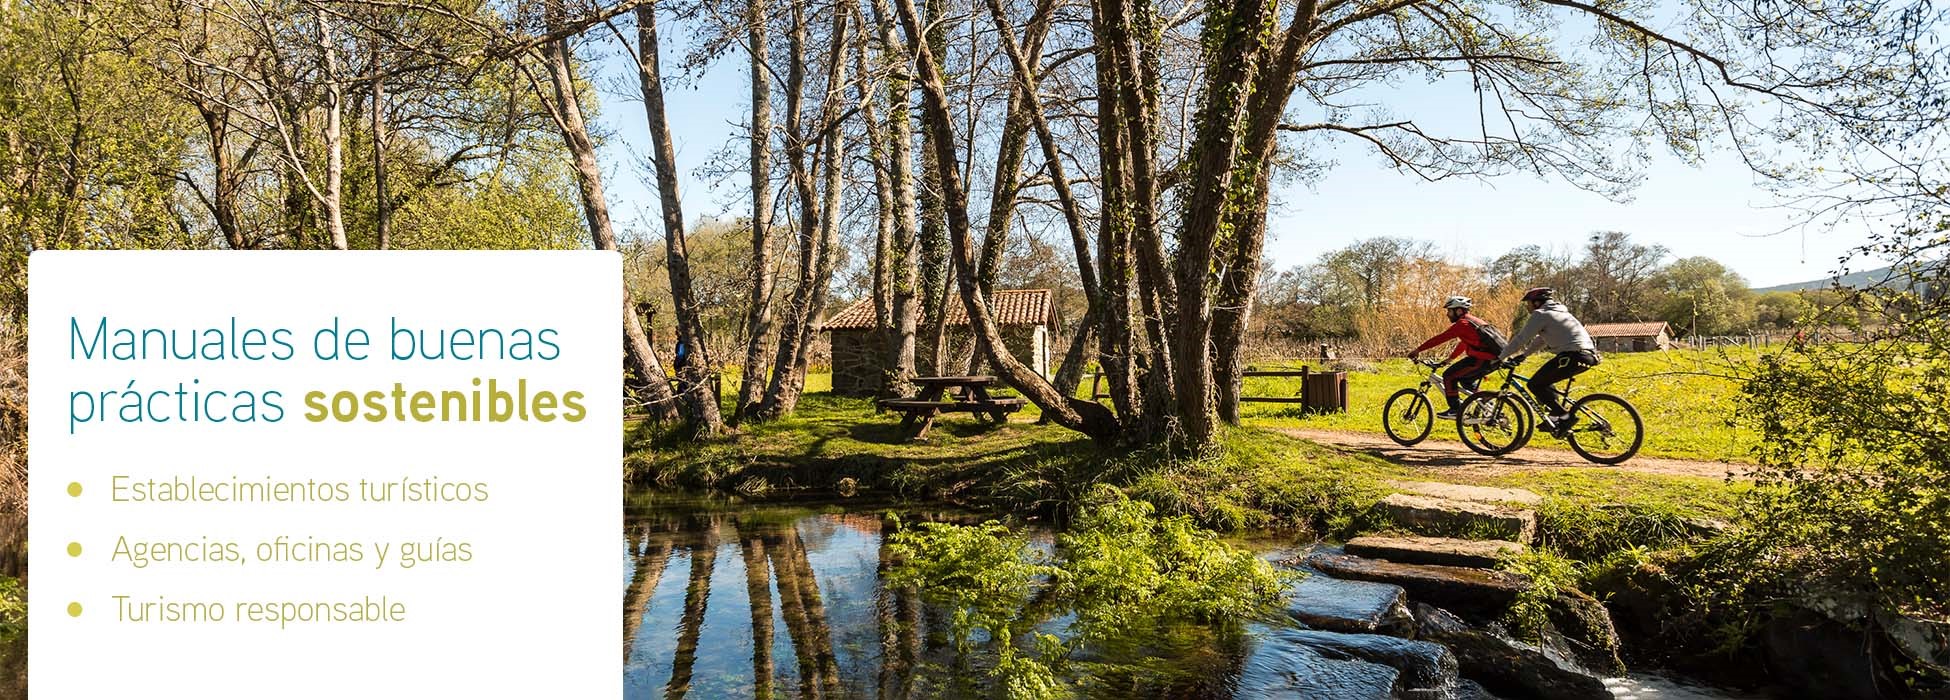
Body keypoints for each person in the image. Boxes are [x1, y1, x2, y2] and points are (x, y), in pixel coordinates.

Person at [1496, 287, 1600, 433]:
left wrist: (1500, 358)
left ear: (1537, 302)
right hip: (1588, 356)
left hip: (1572, 355)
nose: (1527, 307)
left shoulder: (1541, 314)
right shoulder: (1561, 313)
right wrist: (1524, 355)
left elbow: (1521, 338)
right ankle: (1555, 418)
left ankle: (1564, 415)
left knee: (1534, 385)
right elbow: (1541, 340)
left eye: (1529, 303)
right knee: (1545, 382)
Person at [1407, 296, 1503, 420]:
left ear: (1459, 311)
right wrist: (1450, 359)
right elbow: (1464, 343)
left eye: (1449, 311)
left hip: (1483, 358)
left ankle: (1456, 409)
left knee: (1449, 376)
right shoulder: (1472, 321)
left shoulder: (1463, 323)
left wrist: (1418, 350)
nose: (1447, 314)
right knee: (1465, 380)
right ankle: (1486, 402)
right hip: (1493, 358)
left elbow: (1441, 338)